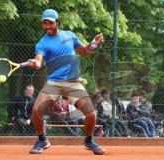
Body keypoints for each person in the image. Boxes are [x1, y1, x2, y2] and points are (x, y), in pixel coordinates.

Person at [27, 9, 105, 154]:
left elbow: (86, 52)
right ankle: (42, 140)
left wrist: (94, 42)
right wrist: (35, 63)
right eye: (44, 23)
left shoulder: (70, 35)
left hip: (73, 82)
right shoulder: (42, 43)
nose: (47, 26)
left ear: (57, 22)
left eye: (50, 22)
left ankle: (89, 140)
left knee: (91, 113)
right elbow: (38, 61)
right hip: (53, 83)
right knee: (36, 110)